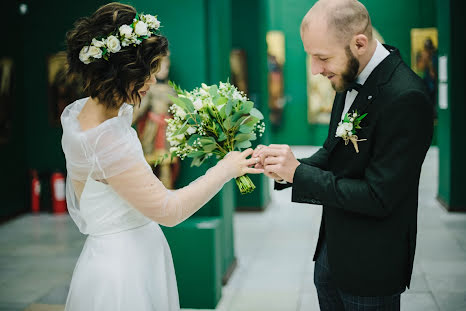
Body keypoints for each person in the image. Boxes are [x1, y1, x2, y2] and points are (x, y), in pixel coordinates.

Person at [61, 3, 262, 310]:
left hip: (106, 254)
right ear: (122, 74)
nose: (153, 82)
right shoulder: (108, 140)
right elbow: (169, 210)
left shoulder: (80, 114)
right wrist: (225, 169)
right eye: (147, 72)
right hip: (125, 271)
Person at [254, 0, 433, 310]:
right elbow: (332, 152)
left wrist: (299, 173)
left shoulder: (408, 97)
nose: (315, 70)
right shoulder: (347, 76)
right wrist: (284, 168)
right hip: (331, 252)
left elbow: (379, 196)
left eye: (322, 58)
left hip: (371, 267)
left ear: (359, 43)